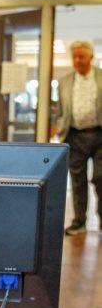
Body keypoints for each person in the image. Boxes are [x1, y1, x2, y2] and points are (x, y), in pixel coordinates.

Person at [55, 40, 102, 235]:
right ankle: (79, 221)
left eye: (81, 56)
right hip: (74, 135)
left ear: (90, 57)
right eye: (74, 57)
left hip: (99, 135)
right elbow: (61, 110)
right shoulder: (65, 81)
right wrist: (60, 129)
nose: (77, 60)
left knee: (100, 178)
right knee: (77, 181)